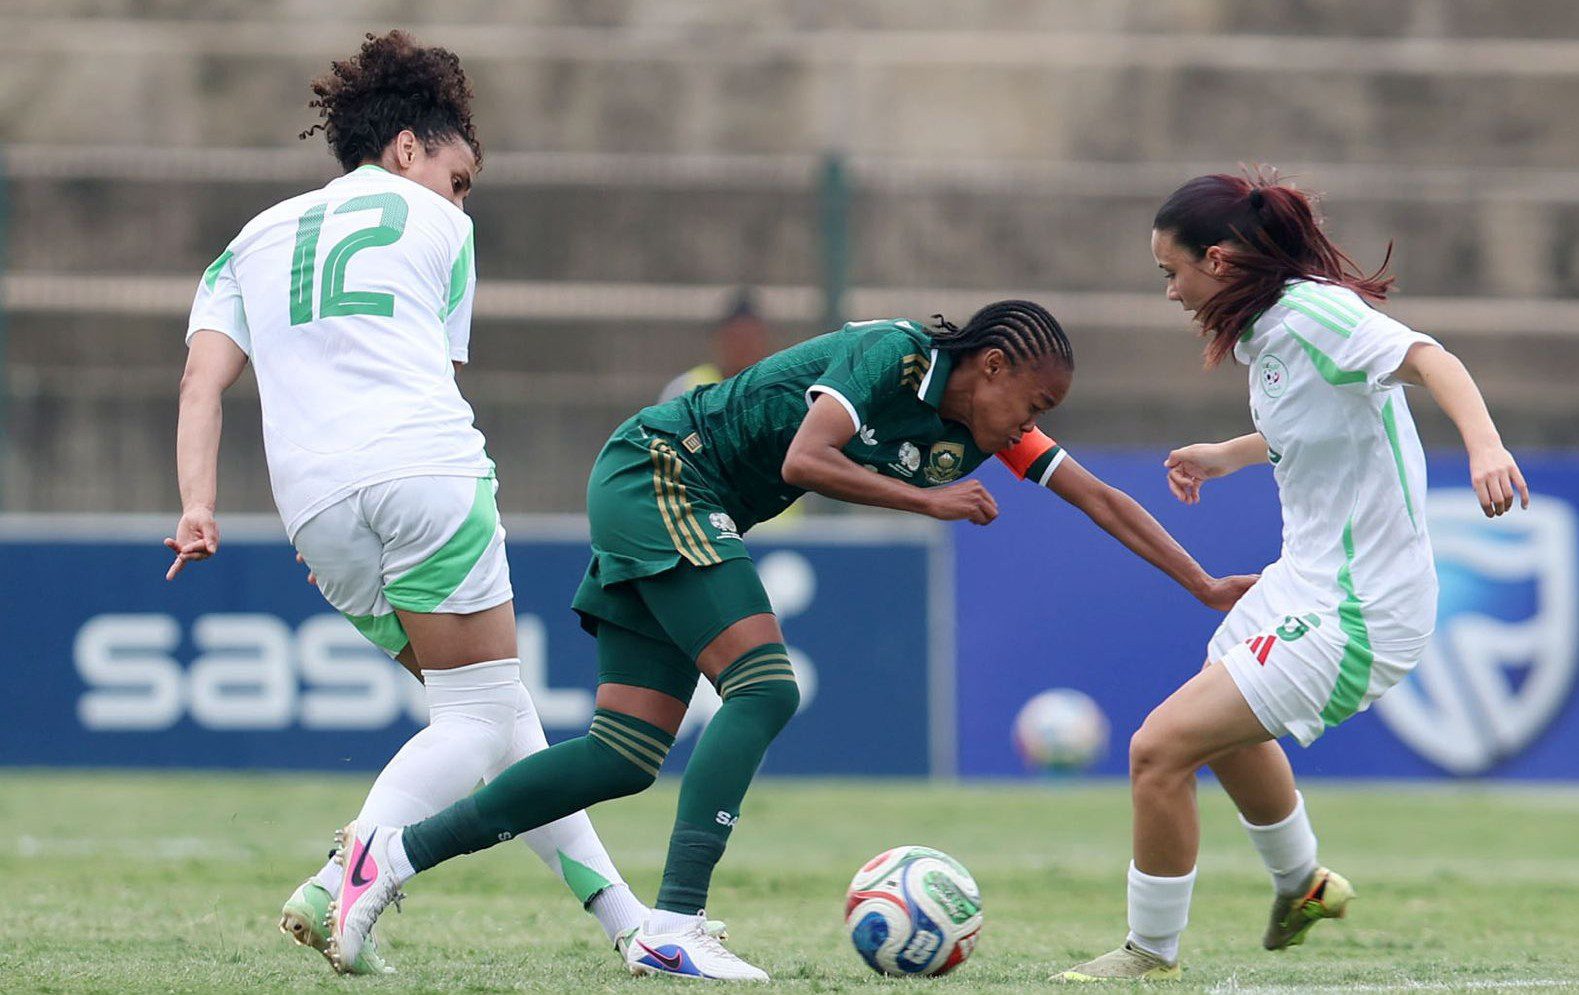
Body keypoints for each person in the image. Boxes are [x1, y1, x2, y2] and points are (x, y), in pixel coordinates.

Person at [323, 299, 1258, 981]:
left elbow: (1096, 498)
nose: (1033, 422)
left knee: (621, 756)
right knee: (764, 686)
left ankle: (386, 860)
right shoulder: (892, 359)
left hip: (680, 496)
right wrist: (926, 501)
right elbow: (802, 459)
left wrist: (1203, 583)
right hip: (662, 470)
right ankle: (677, 922)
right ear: (992, 367)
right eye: (1033, 400)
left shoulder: (985, 429)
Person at [165, 30, 662, 976]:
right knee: (475, 719)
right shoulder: (442, 228)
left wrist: (198, 504)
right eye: (457, 173)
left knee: (499, 713)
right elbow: (428, 368)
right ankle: (347, 875)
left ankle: (626, 921)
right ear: (406, 149)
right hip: (424, 472)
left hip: (313, 508)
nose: (460, 194)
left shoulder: (250, 240)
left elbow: (200, 382)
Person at [1059, 170, 1529, 982]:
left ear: (1214, 258)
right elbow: (1315, 419)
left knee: (1156, 749)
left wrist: (1484, 445)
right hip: (1304, 581)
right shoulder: (1266, 330)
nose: (1169, 292)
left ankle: (1148, 953)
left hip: (1358, 606)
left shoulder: (1315, 312)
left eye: (1170, 272)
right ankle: (1303, 882)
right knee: (1226, 734)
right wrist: (1229, 453)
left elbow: (1428, 357)